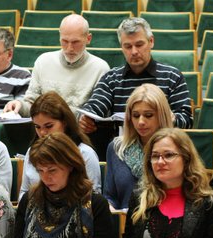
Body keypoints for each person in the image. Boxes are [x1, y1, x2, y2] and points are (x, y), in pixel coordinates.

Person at [79, 17, 193, 160]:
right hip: (122, 152)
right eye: (128, 46)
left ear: (151, 42)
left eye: (139, 44)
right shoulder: (111, 78)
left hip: (162, 152)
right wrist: (86, 118)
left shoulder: (172, 76)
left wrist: (171, 118)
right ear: (121, 47)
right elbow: (96, 104)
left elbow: (187, 120)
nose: (134, 51)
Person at [114, 128, 213, 238]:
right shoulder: (140, 198)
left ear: (186, 158)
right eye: (155, 156)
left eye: (169, 155)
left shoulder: (208, 204)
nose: (160, 162)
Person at [8, 132, 114, 238]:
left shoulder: (96, 204)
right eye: (40, 171)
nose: (46, 178)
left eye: (52, 170)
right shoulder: (29, 200)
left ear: (71, 166)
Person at [3, 14, 109, 117]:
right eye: (65, 41)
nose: (69, 48)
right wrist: (19, 106)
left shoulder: (100, 69)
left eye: (75, 42)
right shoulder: (43, 61)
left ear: (88, 38)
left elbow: (95, 114)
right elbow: (31, 104)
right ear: (59, 36)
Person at [18, 91, 101, 201]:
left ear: (65, 122)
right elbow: (24, 192)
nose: (42, 132)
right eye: (37, 127)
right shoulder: (31, 152)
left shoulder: (85, 153)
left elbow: (93, 197)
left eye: (49, 126)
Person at [104, 84, 173, 210]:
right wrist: (111, 209)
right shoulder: (116, 148)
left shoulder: (175, 149)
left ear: (161, 116)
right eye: (136, 115)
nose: (141, 122)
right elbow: (110, 196)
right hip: (125, 223)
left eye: (148, 115)